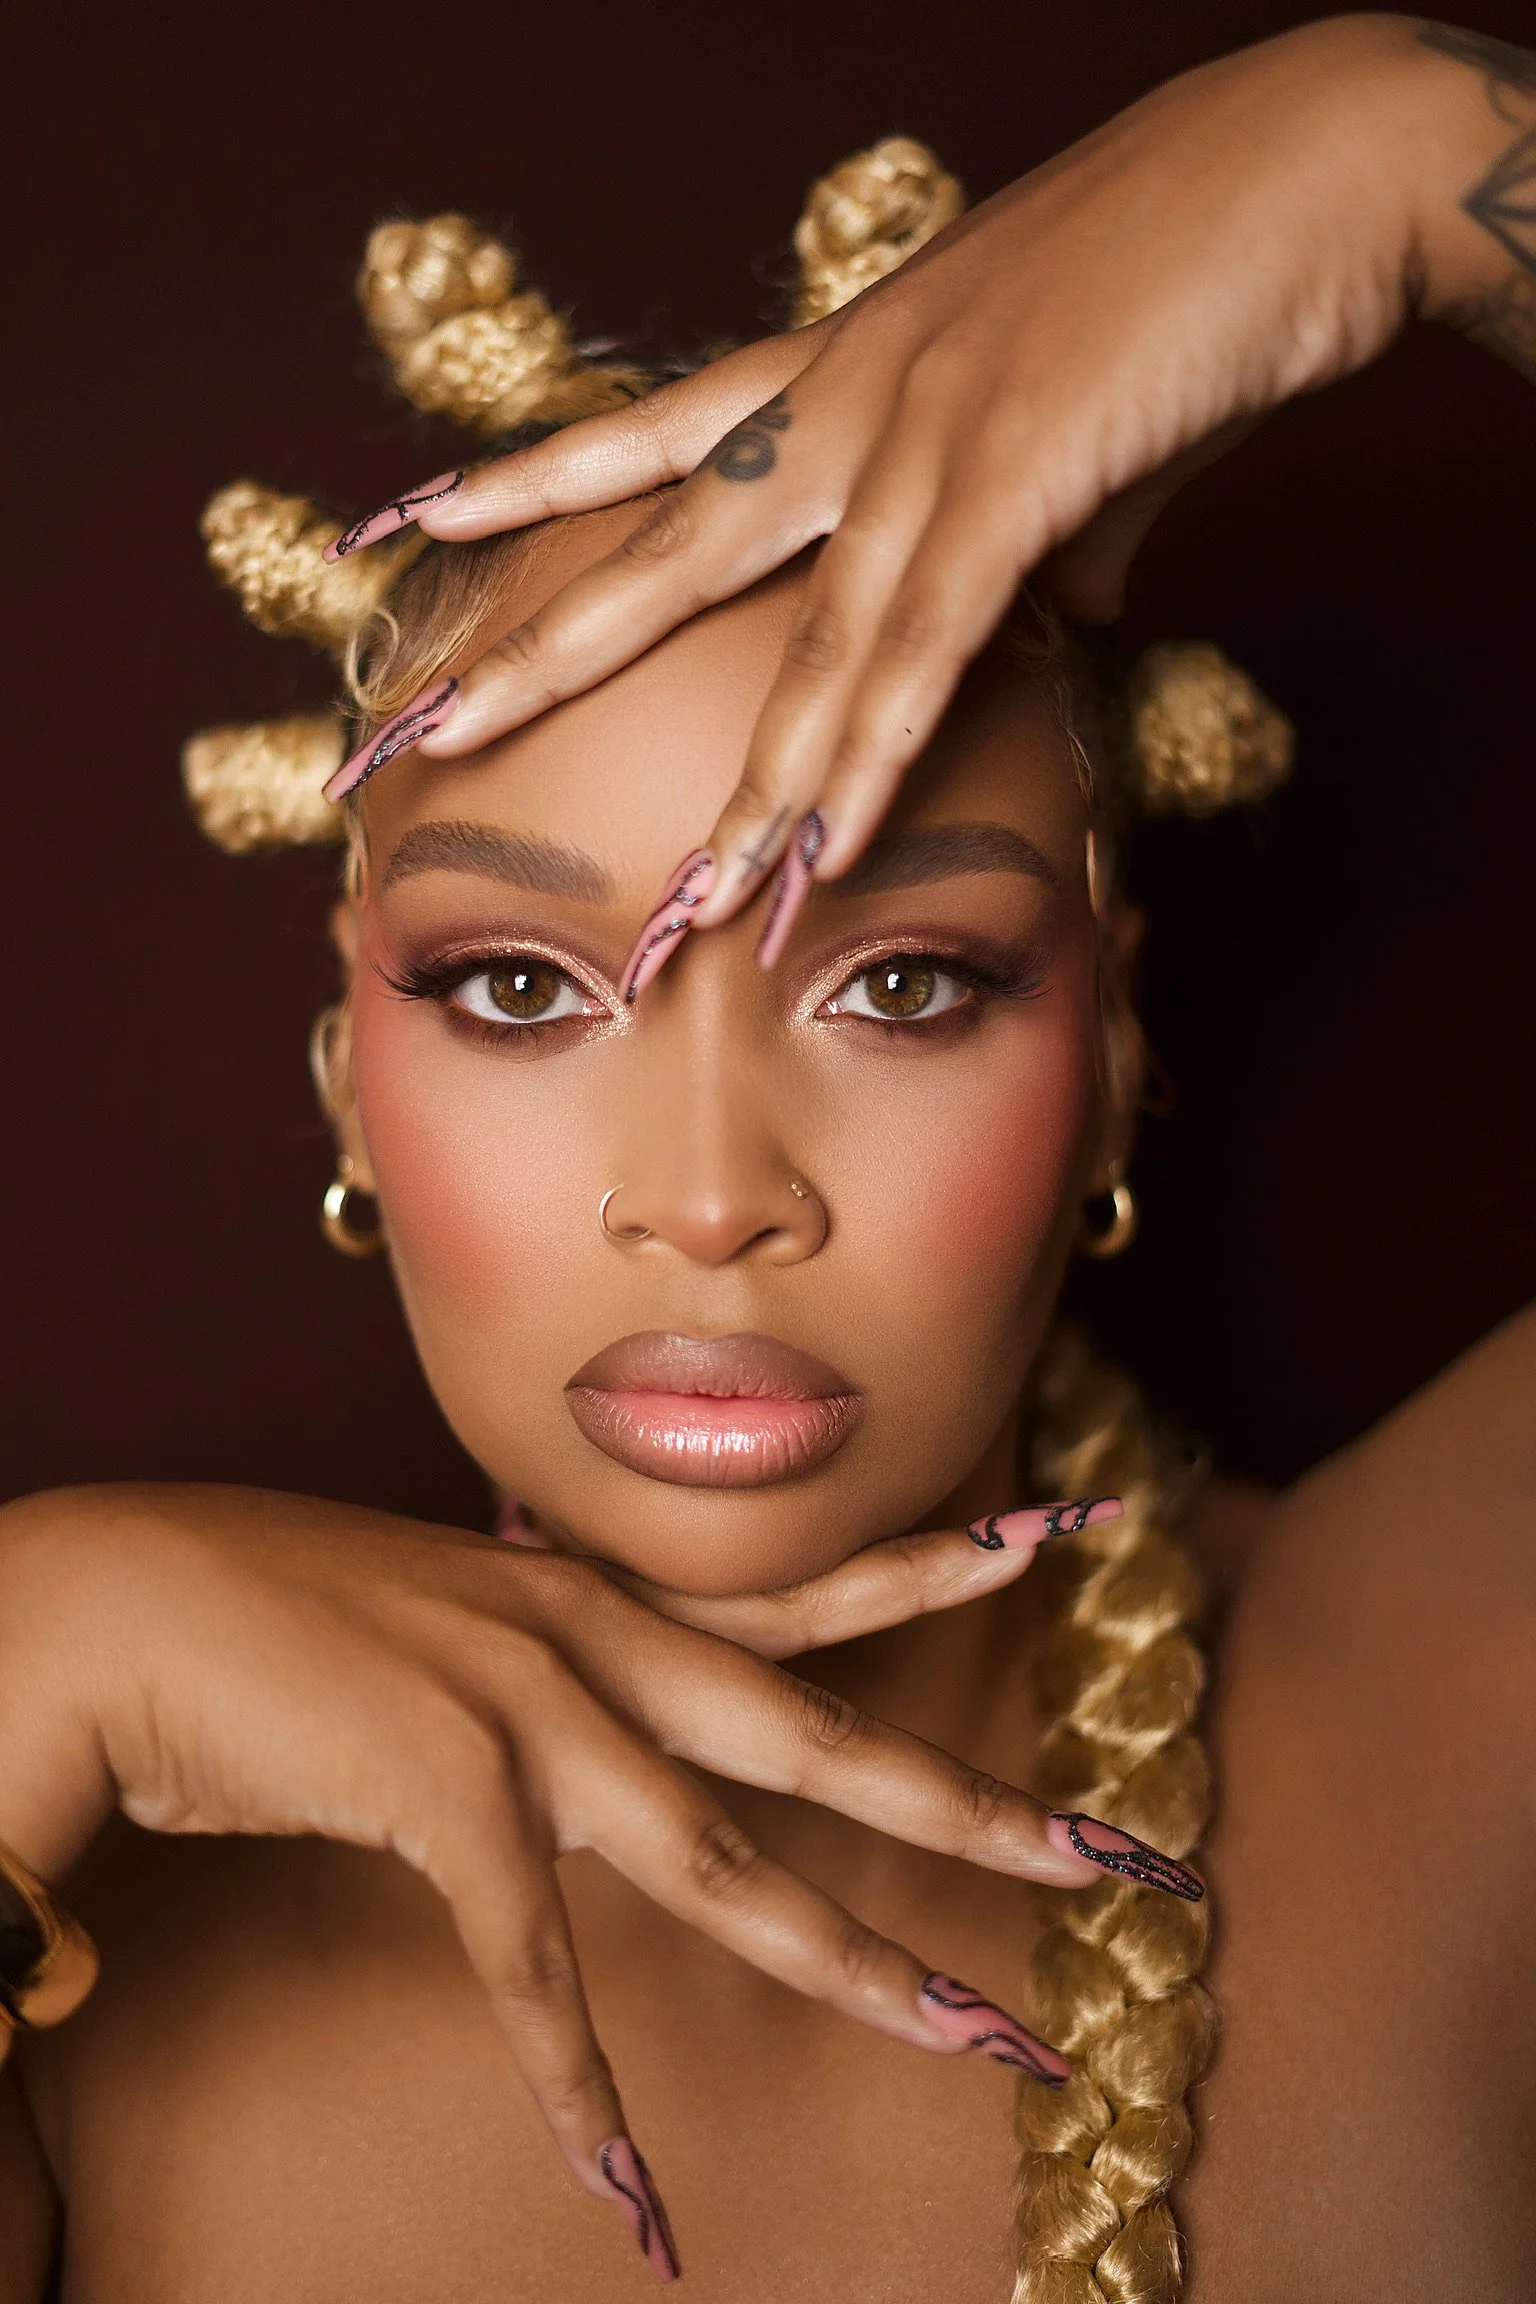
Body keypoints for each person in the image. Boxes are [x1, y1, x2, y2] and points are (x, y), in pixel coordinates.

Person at [3, 14, 1533, 2300]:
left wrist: (1409, 147)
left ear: (1110, 1049)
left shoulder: (1472, 1700)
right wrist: (26, 1644)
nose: (712, 1192)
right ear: (349, 1075)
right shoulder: (70, 1935)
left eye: (904, 983)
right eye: (518, 985)